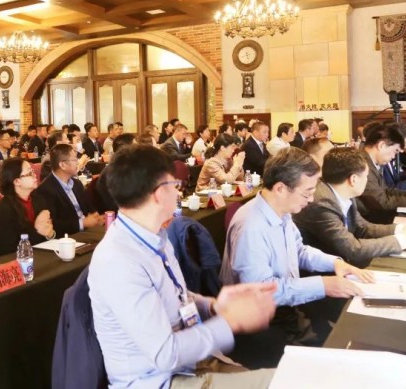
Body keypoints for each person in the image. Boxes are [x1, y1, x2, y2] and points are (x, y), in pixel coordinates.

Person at [89, 144, 278, 388]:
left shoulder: (156, 236)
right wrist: (232, 320)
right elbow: (165, 354)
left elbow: (175, 294)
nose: (178, 192)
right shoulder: (118, 260)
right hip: (159, 380)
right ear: (159, 193)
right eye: (175, 185)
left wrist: (214, 306)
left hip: (191, 362)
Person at [220, 148, 373, 362]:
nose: (311, 199)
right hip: (260, 321)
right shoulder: (251, 227)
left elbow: (299, 250)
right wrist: (323, 285)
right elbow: (260, 291)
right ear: (281, 188)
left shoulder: (280, 211)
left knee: (343, 335)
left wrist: (335, 263)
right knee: (332, 353)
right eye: (307, 193)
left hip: (286, 307)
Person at [294, 147, 406, 268]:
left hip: (346, 265)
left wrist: (402, 229)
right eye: (366, 176)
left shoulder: (344, 192)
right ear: (353, 179)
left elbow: (362, 228)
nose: (367, 180)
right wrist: (404, 240)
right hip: (329, 271)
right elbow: (353, 249)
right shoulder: (322, 203)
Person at [34, 143, 103, 236]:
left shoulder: (77, 184)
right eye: (74, 159)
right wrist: (82, 223)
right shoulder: (45, 190)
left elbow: (89, 208)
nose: (78, 162)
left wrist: (97, 217)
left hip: (87, 231)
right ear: (62, 165)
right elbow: (53, 224)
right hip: (68, 237)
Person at [0, 158, 54, 257]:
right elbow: (8, 249)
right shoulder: (4, 209)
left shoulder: (38, 199)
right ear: (17, 181)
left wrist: (50, 235)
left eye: (33, 171)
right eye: (30, 173)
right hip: (14, 260)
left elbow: (49, 232)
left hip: (41, 255)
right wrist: (37, 230)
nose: (35, 175)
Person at [358, 123, 406, 224]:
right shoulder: (362, 164)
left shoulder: (371, 162)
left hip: (377, 217)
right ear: (382, 145)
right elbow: (380, 202)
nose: (393, 157)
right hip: (369, 221)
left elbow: (387, 191)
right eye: (395, 151)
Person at [96, 133, 137, 213]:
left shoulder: (127, 167)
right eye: (136, 146)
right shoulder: (114, 171)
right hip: (119, 212)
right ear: (126, 150)